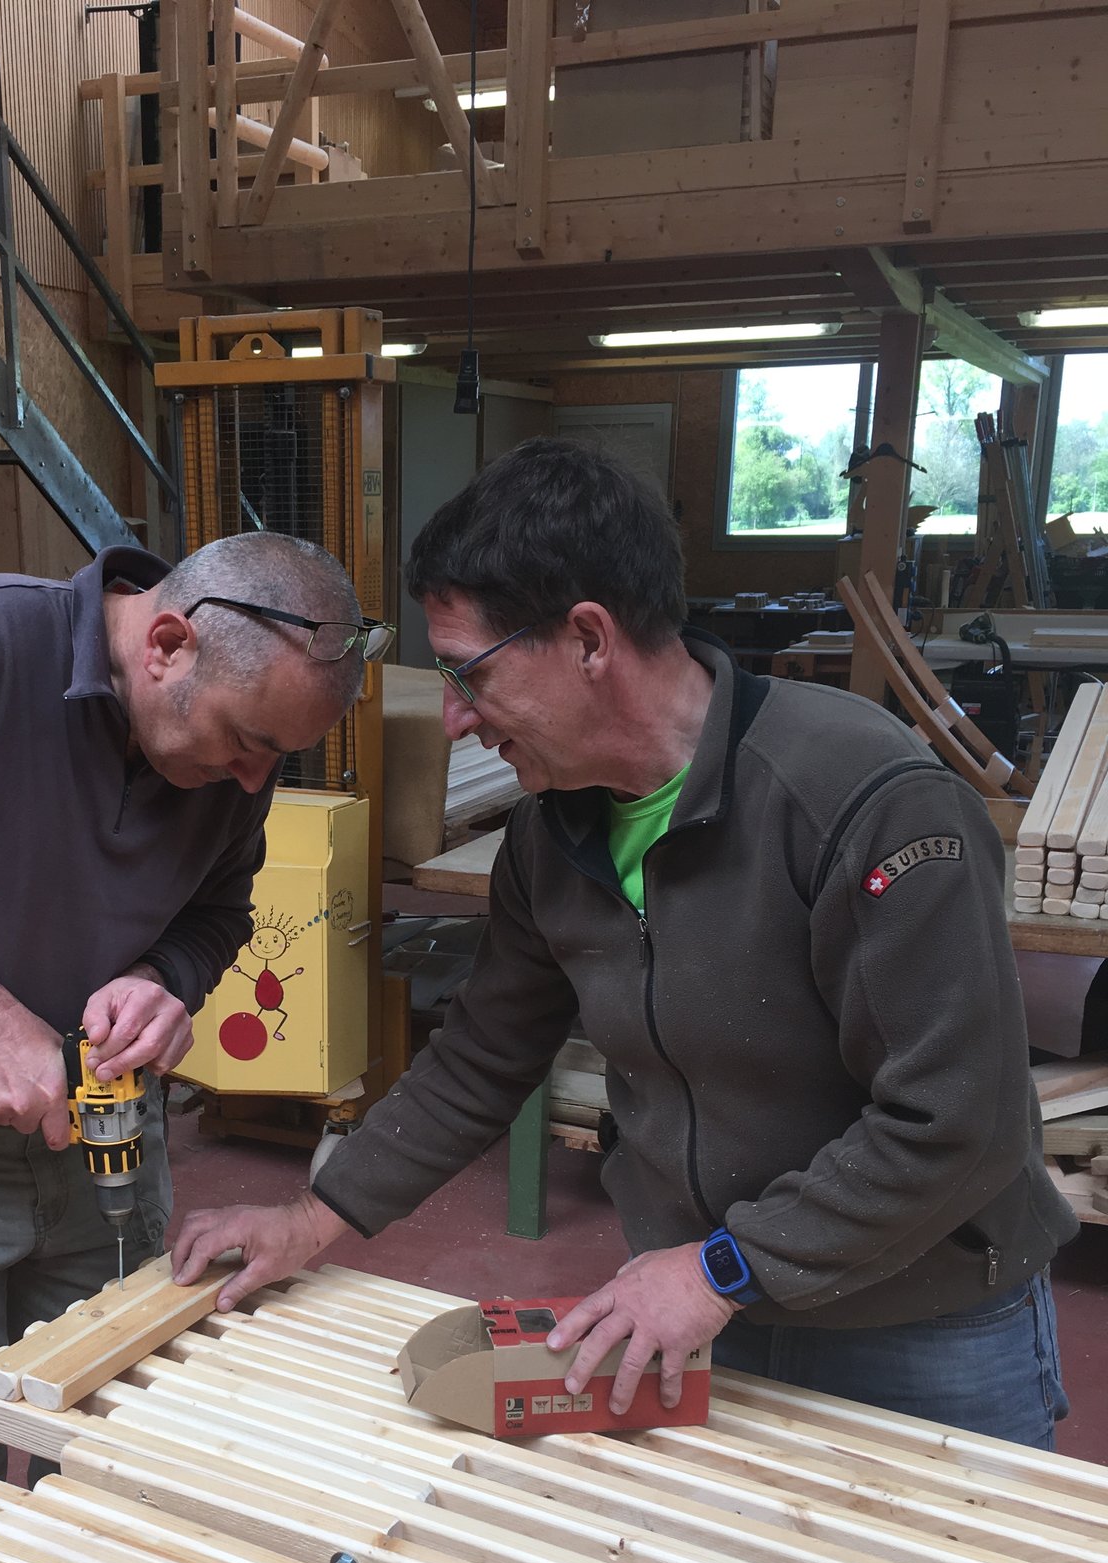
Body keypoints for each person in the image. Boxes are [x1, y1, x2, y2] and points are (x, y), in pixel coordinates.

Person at [172, 439, 1076, 1449]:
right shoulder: (551, 835)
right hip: (703, 1305)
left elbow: (955, 1121)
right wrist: (312, 1218)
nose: (456, 720)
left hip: (920, 1327)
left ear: (589, 640)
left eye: (470, 674)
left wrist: (722, 1268)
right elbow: (480, 1060)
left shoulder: (864, 802)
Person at [0, 533, 385, 1471]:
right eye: (248, 744)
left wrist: (165, 980)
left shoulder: (240, 747)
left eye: (278, 757)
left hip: (104, 1129)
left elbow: (218, 912)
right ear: (167, 645)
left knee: (96, 1450)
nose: (257, 780)